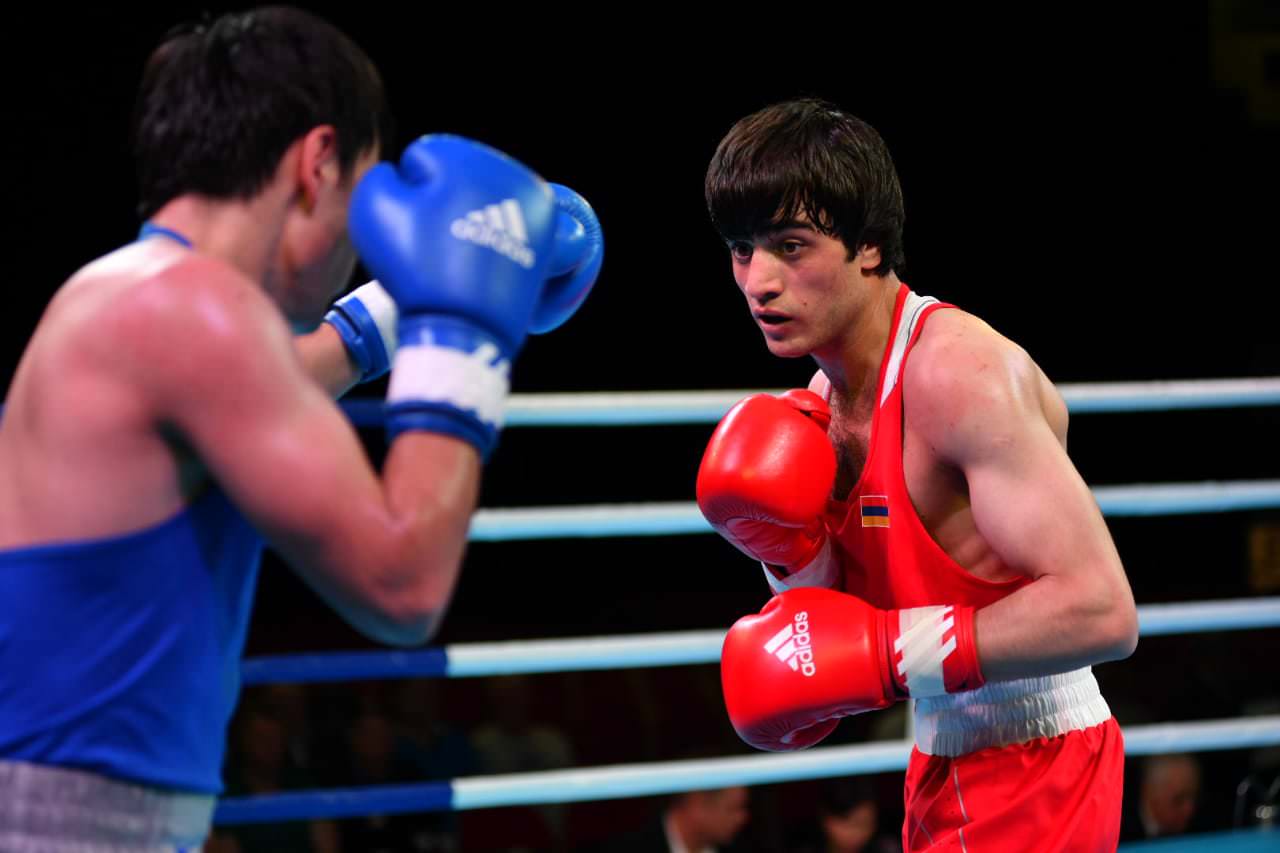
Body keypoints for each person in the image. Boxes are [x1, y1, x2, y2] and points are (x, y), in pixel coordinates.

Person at [0, 6, 603, 850]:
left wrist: (409, 299)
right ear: (318, 163)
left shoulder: (133, 295)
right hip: (69, 814)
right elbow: (403, 583)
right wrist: (462, 329)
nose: (360, 243)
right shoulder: (194, 312)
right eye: (361, 195)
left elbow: (291, 370)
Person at [696, 98, 1137, 851]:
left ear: (869, 245)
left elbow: (1103, 611)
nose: (758, 281)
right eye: (742, 249)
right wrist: (791, 556)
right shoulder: (821, 406)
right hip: (940, 751)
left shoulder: (958, 375)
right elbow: (848, 632)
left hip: (1038, 760)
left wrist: (888, 654)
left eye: (791, 246)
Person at [596, 786, 750, 853]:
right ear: (697, 802)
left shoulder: (742, 848)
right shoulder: (628, 848)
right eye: (734, 808)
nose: (742, 818)